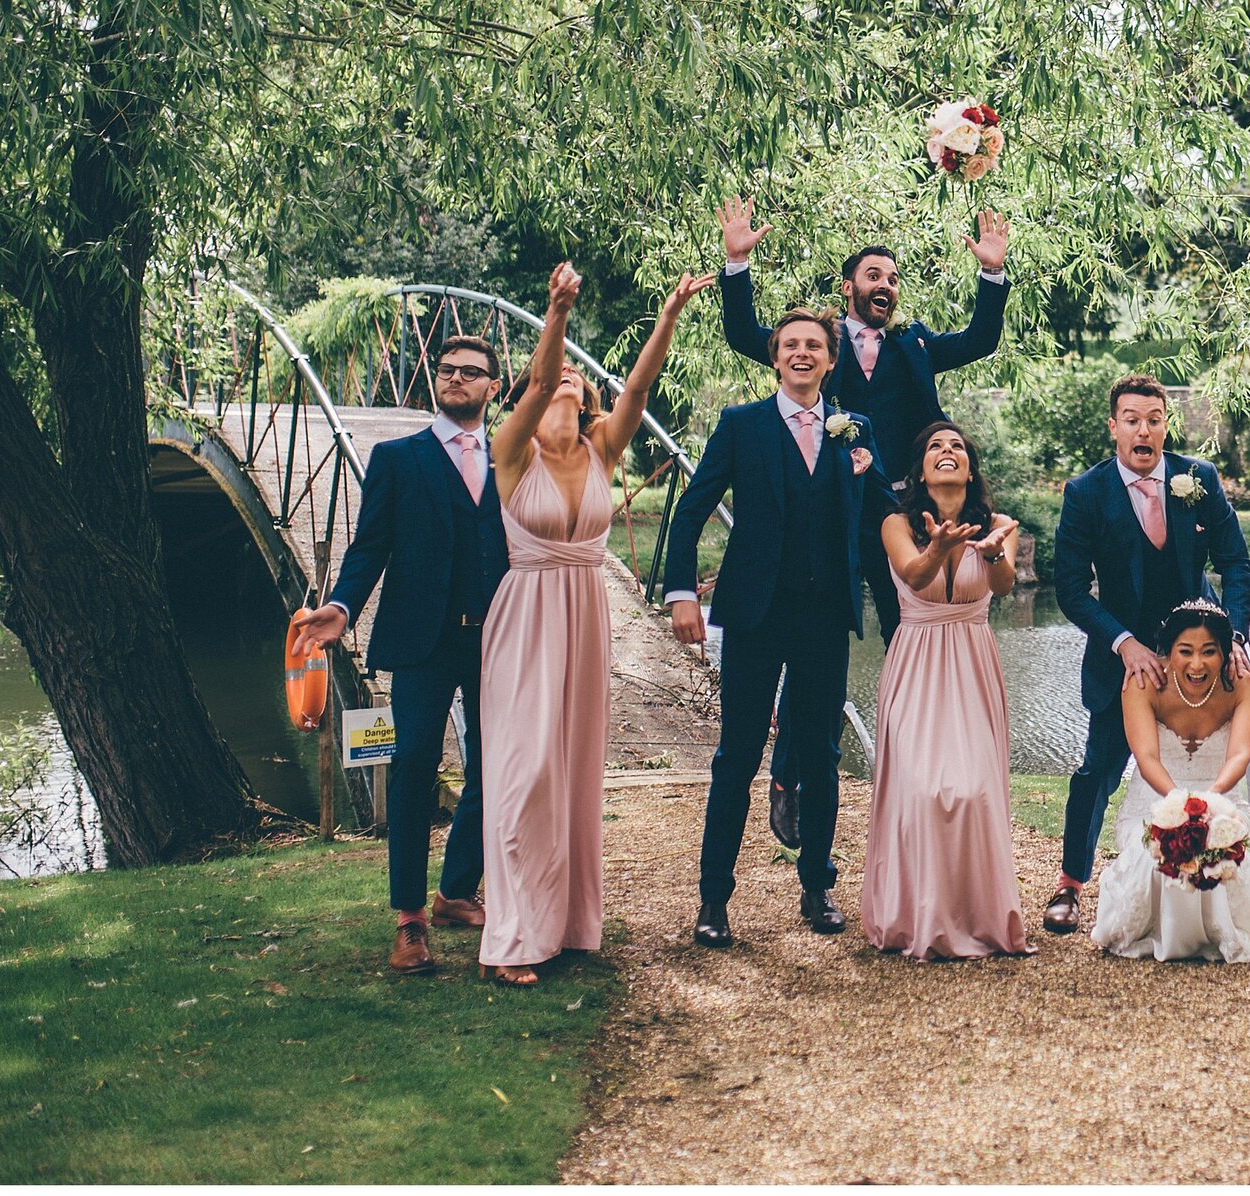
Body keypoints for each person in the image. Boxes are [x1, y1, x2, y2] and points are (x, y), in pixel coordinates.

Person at [713, 196, 1012, 851]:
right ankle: (789, 778)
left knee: (917, 636)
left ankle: (925, 772)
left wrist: (991, 274)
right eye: (874, 275)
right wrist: (737, 263)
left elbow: (983, 339)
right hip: (827, 519)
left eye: (894, 277)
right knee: (815, 644)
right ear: (848, 288)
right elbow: (744, 335)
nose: (887, 284)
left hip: (905, 519)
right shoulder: (816, 346)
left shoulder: (916, 344)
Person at [477, 262, 712, 984]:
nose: (570, 387)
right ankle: (514, 935)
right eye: (559, 383)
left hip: (584, 616)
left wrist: (668, 314)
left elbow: (637, 389)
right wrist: (556, 314)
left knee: (574, 771)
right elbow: (544, 380)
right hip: (526, 616)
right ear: (529, 395)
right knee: (525, 771)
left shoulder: (601, 451)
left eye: (582, 387)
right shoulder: (512, 452)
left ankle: (570, 922)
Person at [666, 308, 886, 946]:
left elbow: (885, 514)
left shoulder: (855, 430)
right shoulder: (741, 425)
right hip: (755, 614)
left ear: (829, 359)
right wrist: (681, 590)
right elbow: (693, 505)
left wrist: (956, 530)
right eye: (790, 344)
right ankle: (714, 900)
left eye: (813, 345)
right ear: (775, 357)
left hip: (824, 617)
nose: (802, 353)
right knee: (736, 756)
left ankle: (817, 887)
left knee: (819, 755)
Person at [1045, 375, 1250, 935]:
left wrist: (1231, 637)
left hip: (1203, 643)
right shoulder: (1086, 493)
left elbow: (1235, 564)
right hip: (1123, 654)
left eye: (1154, 419)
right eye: (1131, 419)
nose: (1144, 429)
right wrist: (1123, 642)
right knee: (1096, 770)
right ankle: (1069, 882)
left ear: (1165, 425)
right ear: (1114, 427)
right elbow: (1071, 588)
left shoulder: (1197, 479)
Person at [300, 334, 509, 975]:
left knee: (495, 769)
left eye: (471, 372)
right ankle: (410, 920)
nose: (456, 379)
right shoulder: (396, 459)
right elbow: (369, 549)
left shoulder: (514, 459)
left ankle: (454, 891)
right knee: (415, 764)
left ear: (493, 388)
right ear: (435, 380)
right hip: (422, 640)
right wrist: (341, 605)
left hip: (499, 638)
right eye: (446, 370)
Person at [863, 422, 1033, 959]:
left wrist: (987, 553)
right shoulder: (895, 523)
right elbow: (914, 577)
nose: (947, 452)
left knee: (976, 791)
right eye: (935, 446)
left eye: (957, 446)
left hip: (972, 659)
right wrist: (938, 547)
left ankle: (980, 917)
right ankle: (917, 917)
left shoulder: (1000, 524)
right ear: (919, 470)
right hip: (916, 658)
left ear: (971, 468)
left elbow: (1004, 586)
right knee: (921, 791)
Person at [1088, 603, 1250, 964]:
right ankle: (1169, 932)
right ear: (1167, 651)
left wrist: (1211, 804)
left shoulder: (1246, 686)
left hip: (1225, 796)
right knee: (1154, 856)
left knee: (1217, 854)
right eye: (1185, 651)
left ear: (1226, 652)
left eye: (1209, 652)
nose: (1197, 664)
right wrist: (1178, 807)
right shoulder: (1142, 684)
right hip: (1155, 797)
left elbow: (1239, 755)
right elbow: (1147, 758)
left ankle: (1214, 930)